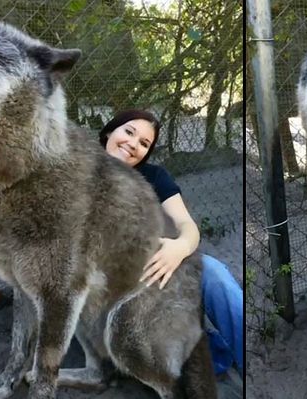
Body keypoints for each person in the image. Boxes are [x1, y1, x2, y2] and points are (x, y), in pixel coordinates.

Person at [98, 109, 243, 379]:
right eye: (129, 132)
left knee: (215, 275)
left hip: (154, 265)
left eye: (144, 143)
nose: (133, 144)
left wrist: (180, 248)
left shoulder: (153, 176)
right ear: (109, 131)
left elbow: (187, 226)